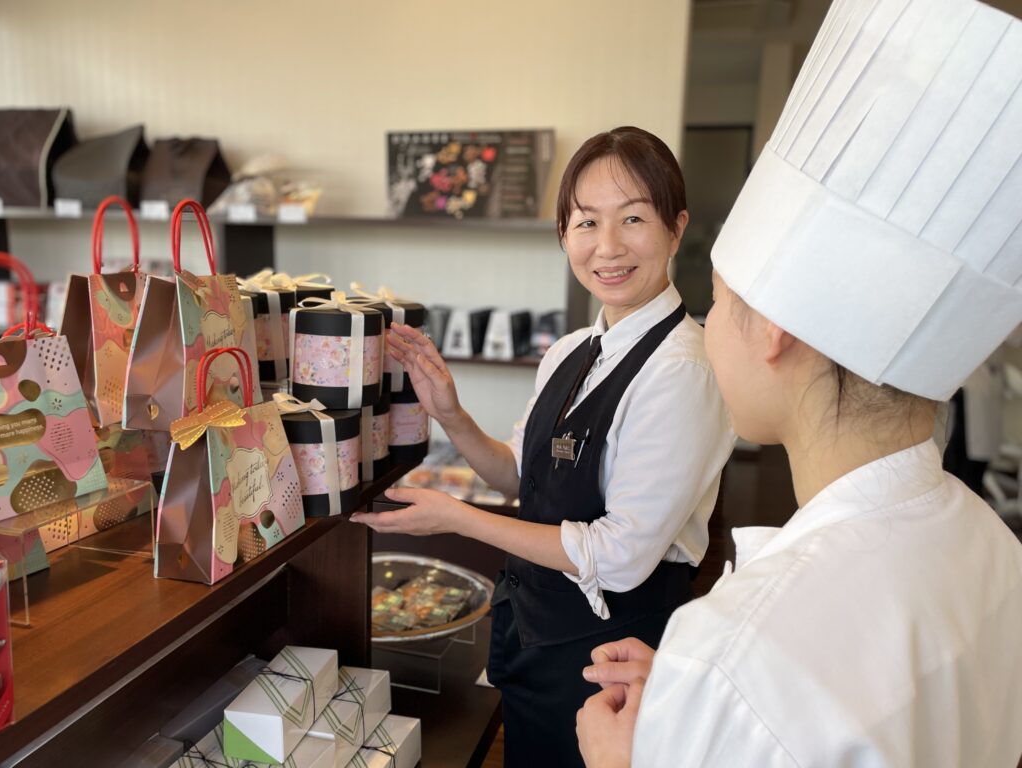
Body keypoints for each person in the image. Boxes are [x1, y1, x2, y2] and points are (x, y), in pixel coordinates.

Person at [576, 0, 1022, 765]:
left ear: (775, 329)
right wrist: (694, 701)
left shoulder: (738, 655)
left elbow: (765, 694)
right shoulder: (993, 544)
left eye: (719, 303)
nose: (709, 325)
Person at [351, 126, 733, 767]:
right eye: (586, 223)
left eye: (632, 218)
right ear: (564, 234)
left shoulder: (683, 370)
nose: (607, 247)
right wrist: (451, 414)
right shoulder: (571, 352)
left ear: (676, 228)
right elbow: (517, 477)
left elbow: (618, 557)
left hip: (612, 661)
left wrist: (458, 519)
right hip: (537, 640)